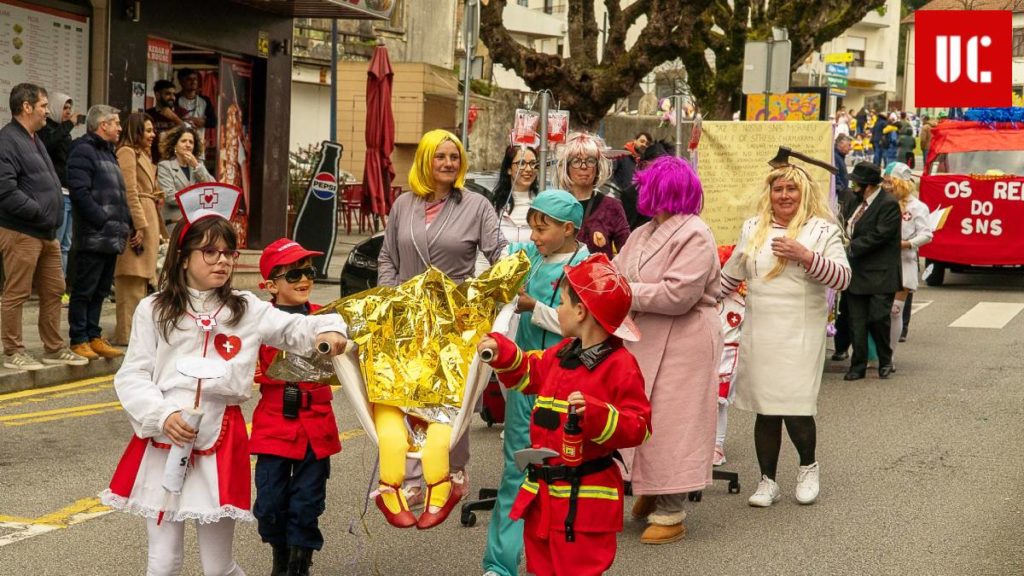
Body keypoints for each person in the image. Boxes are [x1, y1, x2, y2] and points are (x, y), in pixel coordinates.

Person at [99, 187, 348, 576]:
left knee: (218, 567)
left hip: (220, 440)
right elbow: (133, 375)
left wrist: (329, 329)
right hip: (165, 438)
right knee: (163, 562)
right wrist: (163, 415)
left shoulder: (246, 308)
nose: (222, 261)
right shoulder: (154, 309)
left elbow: (295, 327)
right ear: (184, 257)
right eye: (210, 252)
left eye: (228, 253)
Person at [478, 253, 651, 576]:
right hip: (545, 497)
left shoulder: (620, 365)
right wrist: (503, 352)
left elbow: (639, 427)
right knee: (542, 568)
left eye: (561, 302)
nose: (556, 309)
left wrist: (597, 415)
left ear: (581, 312)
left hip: (583, 503)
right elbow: (529, 372)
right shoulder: (562, 353)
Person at [376, 129, 506, 525]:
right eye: (441, 156)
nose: (449, 163)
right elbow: (388, 256)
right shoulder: (404, 204)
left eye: (454, 157)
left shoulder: (477, 205)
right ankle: (414, 476)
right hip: (408, 316)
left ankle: (453, 470)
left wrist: (487, 294)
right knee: (410, 396)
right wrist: (392, 300)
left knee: (450, 398)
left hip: (454, 318)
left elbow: (499, 253)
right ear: (425, 161)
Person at [721, 162, 851, 508]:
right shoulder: (753, 228)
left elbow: (842, 278)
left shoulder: (822, 231)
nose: (784, 195)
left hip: (800, 334)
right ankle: (768, 481)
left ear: (803, 193)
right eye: (778, 189)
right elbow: (730, 276)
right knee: (765, 409)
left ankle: (808, 468)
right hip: (761, 333)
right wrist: (698, 301)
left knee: (795, 406)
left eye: (791, 189)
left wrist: (806, 256)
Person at [613, 156, 722, 544]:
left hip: (685, 338)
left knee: (676, 422)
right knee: (644, 416)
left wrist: (624, 293)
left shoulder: (696, 233)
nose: (641, 190)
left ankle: (672, 507)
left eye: (647, 185)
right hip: (644, 335)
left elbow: (679, 295)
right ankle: (651, 484)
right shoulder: (643, 232)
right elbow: (616, 269)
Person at [482, 190, 588, 576]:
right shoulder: (526, 257)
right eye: (532, 228)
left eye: (542, 229)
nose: (534, 236)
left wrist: (535, 308)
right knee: (517, 469)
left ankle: (559, 561)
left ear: (568, 228)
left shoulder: (588, 268)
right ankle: (500, 564)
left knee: (563, 476)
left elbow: (588, 325)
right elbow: (493, 283)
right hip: (525, 381)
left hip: (568, 387)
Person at [252, 238, 340, 576]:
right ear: (271, 285)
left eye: (309, 272)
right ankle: (280, 554)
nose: (304, 280)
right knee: (269, 504)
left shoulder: (328, 319)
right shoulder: (258, 320)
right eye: (293, 275)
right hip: (275, 418)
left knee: (307, 502)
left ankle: (298, 565)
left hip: (315, 421)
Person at [0, 83, 88, 370]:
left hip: (46, 232)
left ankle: (54, 348)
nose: (47, 112)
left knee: (54, 290)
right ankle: (13, 352)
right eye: (43, 106)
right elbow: (5, 190)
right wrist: (39, 212)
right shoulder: (8, 140)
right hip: (22, 231)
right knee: (17, 293)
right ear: (26, 107)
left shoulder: (34, 139)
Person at [66, 105, 132, 360]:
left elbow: (117, 195)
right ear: (103, 125)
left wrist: (126, 224)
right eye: (116, 123)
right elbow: (79, 191)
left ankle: (94, 336)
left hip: (111, 235)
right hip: (94, 235)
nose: (120, 128)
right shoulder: (83, 150)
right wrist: (101, 220)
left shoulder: (109, 153)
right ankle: (79, 338)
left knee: (101, 291)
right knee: (84, 290)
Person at [840, 162, 902, 381]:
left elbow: (880, 235)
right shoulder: (855, 202)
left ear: (867, 185)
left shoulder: (888, 204)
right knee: (856, 322)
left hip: (880, 273)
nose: (852, 186)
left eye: (856, 182)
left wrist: (850, 247)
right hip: (856, 272)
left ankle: (885, 360)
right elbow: (845, 226)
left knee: (878, 319)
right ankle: (858, 365)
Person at [112, 112, 164, 346]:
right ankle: (126, 335)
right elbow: (129, 190)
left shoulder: (144, 155)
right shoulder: (127, 152)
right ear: (137, 131)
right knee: (131, 279)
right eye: (148, 130)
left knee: (140, 281)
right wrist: (138, 225)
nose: (153, 135)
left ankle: (134, 335)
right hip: (137, 221)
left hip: (148, 217)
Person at [882, 162, 932, 356]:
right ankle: (876, 353)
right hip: (881, 263)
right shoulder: (882, 203)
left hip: (904, 262)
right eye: (885, 182)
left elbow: (926, 234)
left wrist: (907, 244)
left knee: (895, 311)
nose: (886, 186)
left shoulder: (918, 207)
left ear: (900, 182)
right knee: (879, 313)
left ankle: (889, 356)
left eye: (889, 182)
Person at [555, 132, 630, 257]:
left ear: (598, 167)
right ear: (567, 168)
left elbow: (626, 253)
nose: (583, 166)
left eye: (590, 161)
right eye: (576, 161)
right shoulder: (556, 206)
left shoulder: (612, 207)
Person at [38, 92, 78, 284]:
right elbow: (48, 145)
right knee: (56, 243)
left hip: (69, 193)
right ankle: (53, 284)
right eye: (64, 108)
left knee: (65, 245)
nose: (68, 112)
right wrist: (68, 125)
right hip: (57, 193)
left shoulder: (64, 132)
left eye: (70, 108)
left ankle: (60, 285)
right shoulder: (46, 129)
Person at [714, 244, 745, 468]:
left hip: (727, 356)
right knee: (701, 404)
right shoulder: (706, 298)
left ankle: (717, 445)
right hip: (704, 355)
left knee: (718, 404)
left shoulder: (740, 301)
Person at [157, 124, 215, 228]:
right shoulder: (165, 166)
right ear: (175, 145)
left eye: (191, 142)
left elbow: (212, 188)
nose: (188, 145)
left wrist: (196, 166)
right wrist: (199, 198)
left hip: (197, 223)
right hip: (175, 223)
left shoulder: (198, 165)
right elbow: (169, 196)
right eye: (183, 141)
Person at [490, 144, 540, 245]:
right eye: (521, 163)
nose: (528, 169)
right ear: (508, 169)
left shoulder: (542, 204)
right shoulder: (494, 206)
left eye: (533, 163)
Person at [175, 67, 217, 154]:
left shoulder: (205, 100)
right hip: (178, 146)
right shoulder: (175, 99)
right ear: (181, 81)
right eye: (189, 79)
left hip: (198, 146)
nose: (193, 82)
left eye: (195, 79)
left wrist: (201, 122)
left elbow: (213, 122)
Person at [146, 79, 184, 162]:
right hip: (154, 160)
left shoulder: (182, 112)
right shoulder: (148, 114)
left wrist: (175, 118)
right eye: (168, 94)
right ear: (157, 95)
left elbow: (190, 132)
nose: (172, 97)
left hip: (177, 161)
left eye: (174, 94)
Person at [834, 134, 853, 204]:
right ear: (841, 144)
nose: (850, 148)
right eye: (849, 145)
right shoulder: (835, 157)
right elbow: (835, 175)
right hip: (838, 195)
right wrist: (842, 190)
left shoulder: (839, 157)